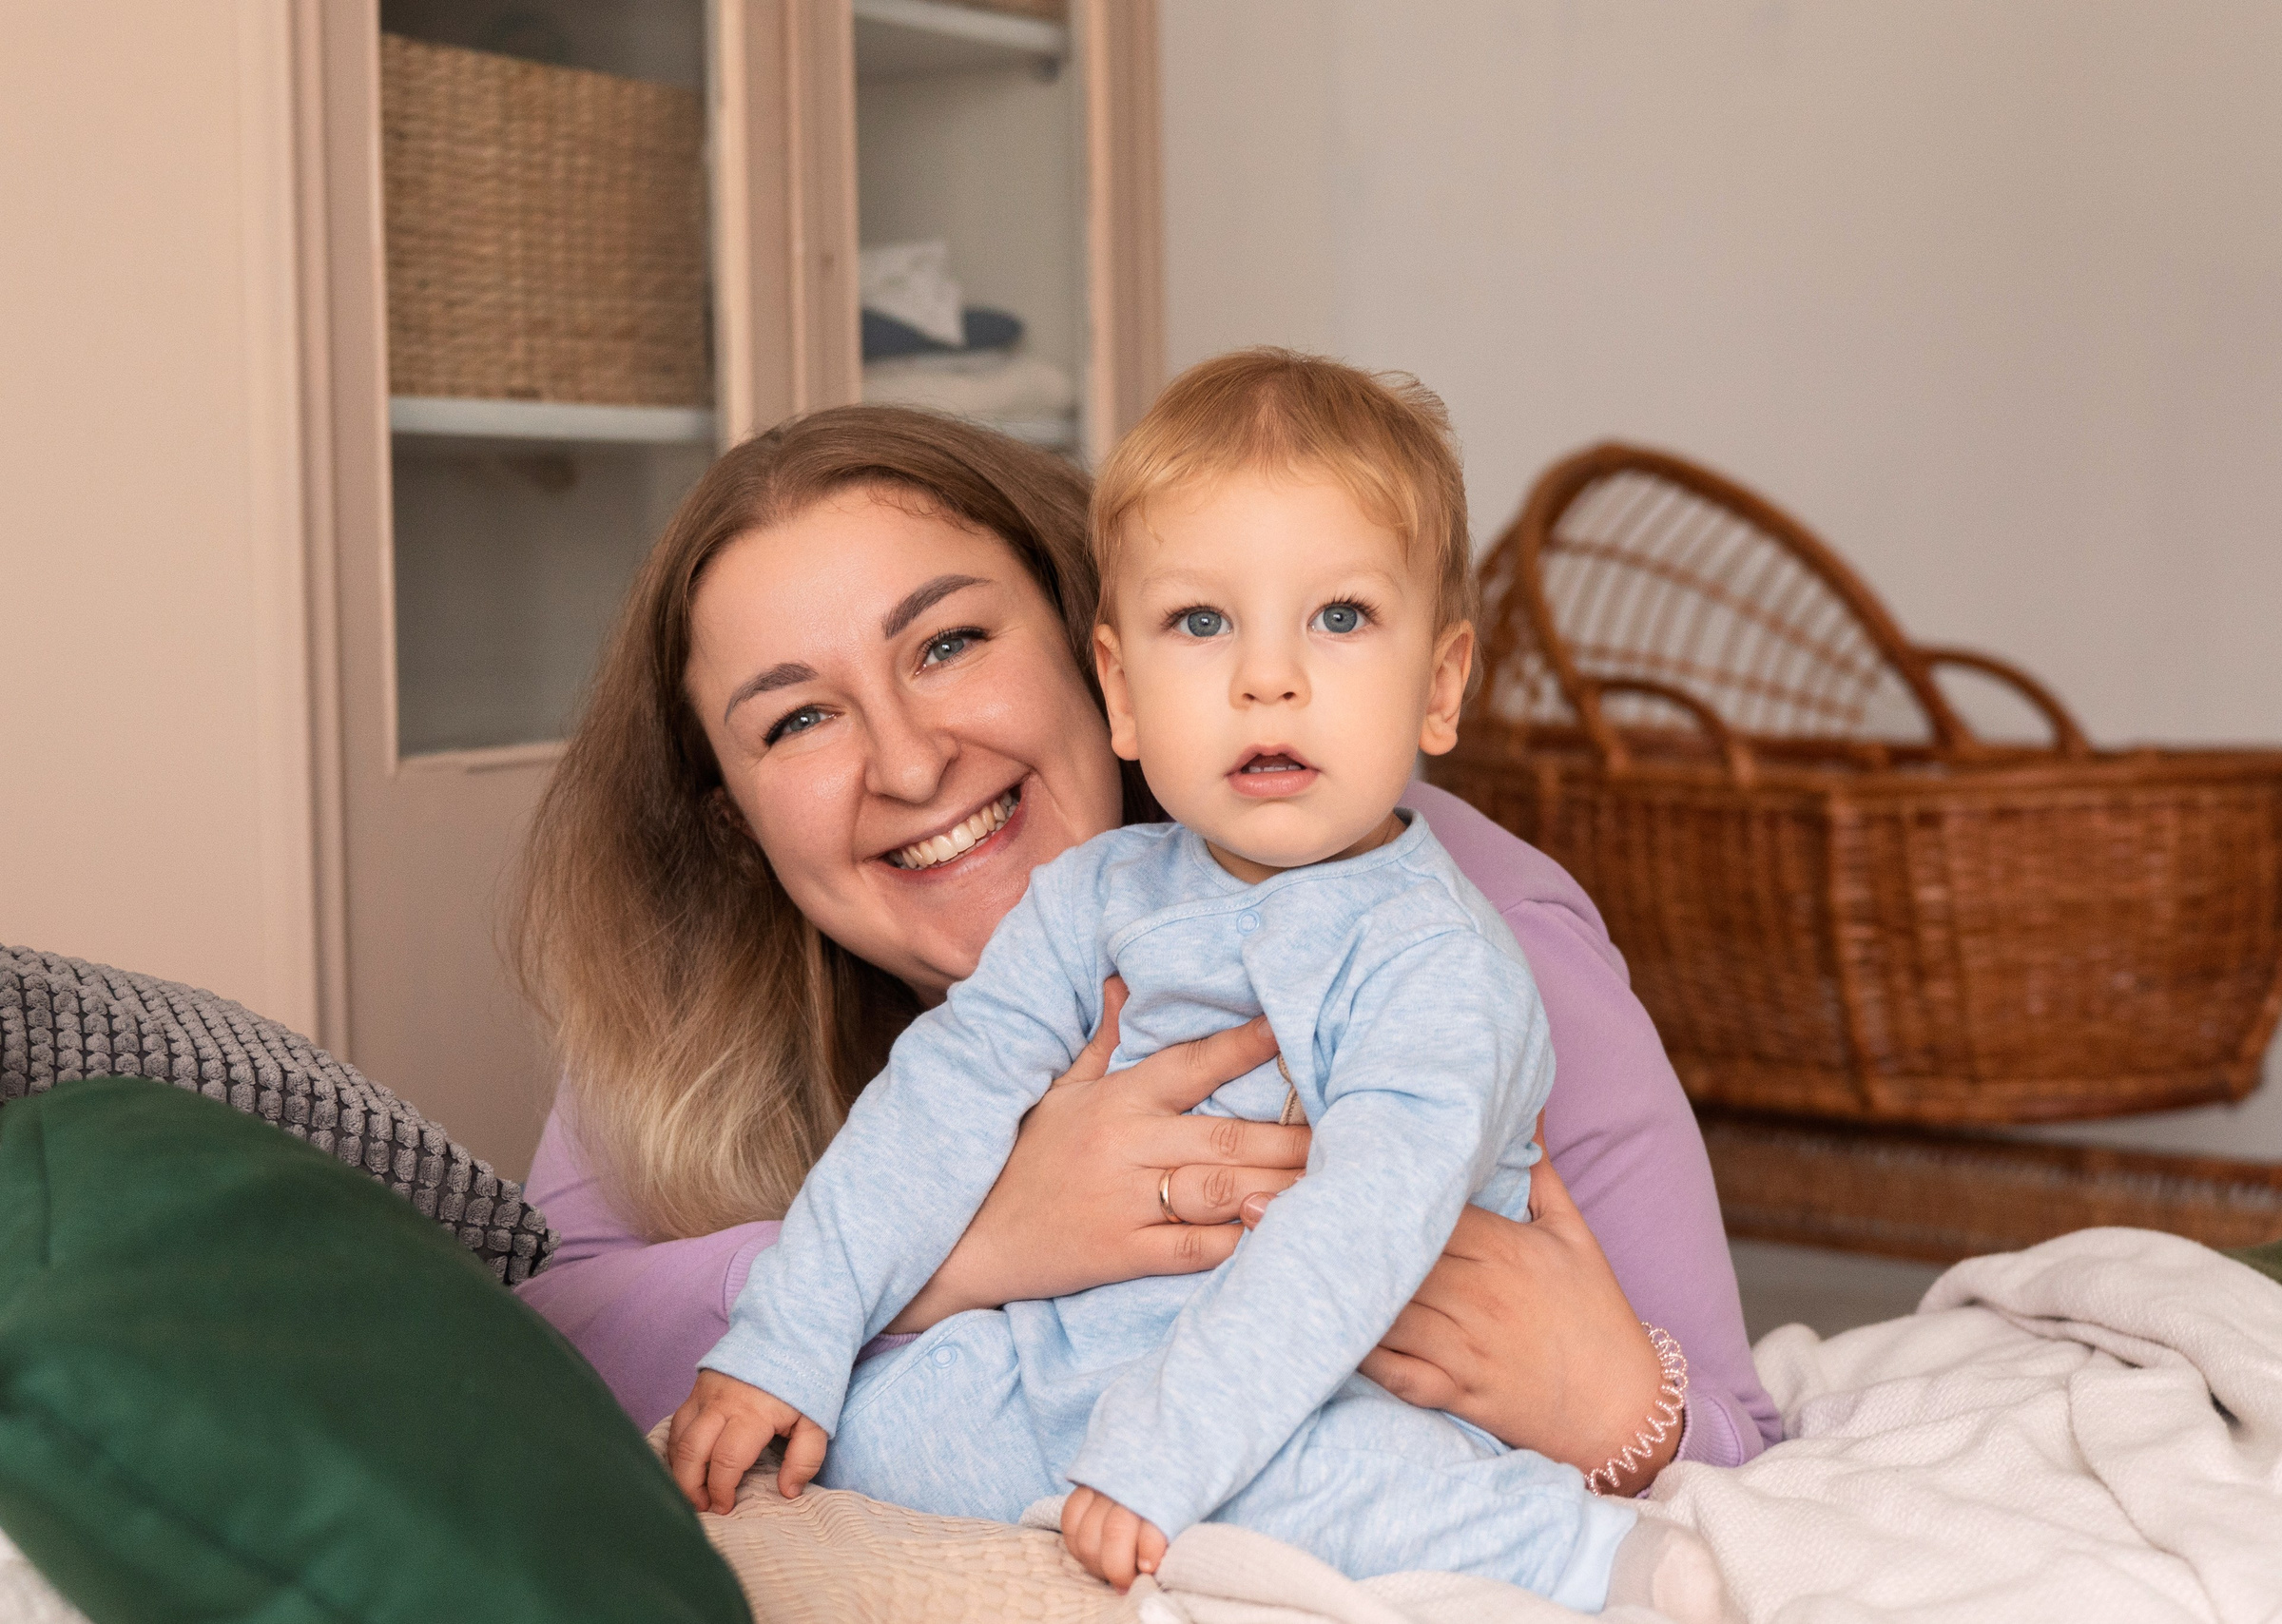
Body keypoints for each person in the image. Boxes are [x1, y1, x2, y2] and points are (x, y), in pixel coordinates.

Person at [508, 395, 1780, 1514]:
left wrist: (1623, 1412)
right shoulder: (685, 995)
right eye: (797, 719)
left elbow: (1743, 1437)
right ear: (735, 822)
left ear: (1090, 649)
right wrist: (973, 1247)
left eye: (949, 644)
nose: (907, 762)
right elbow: (538, 1327)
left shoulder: (1458, 919)